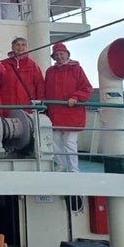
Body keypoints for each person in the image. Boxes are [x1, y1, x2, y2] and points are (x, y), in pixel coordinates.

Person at [45, 42, 92, 172]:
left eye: (62, 54)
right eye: (57, 54)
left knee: (70, 143)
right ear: (53, 57)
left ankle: (73, 170)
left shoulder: (76, 69)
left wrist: (75, 97)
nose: (59, 56)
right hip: (55, 112)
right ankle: (61, 165)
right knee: (55, 141)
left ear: (67, 55)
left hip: (71, 113)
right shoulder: (50, 72)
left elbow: (86, 88)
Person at [1, 37, 45, 111]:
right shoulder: (4, 64)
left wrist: (40, 103)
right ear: (12, 47)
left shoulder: (33, 65)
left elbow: (40, 85)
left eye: (23, 45)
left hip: (28, 107)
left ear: (26, 48)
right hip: (8, 106)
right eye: (17, 45)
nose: (20, 47)